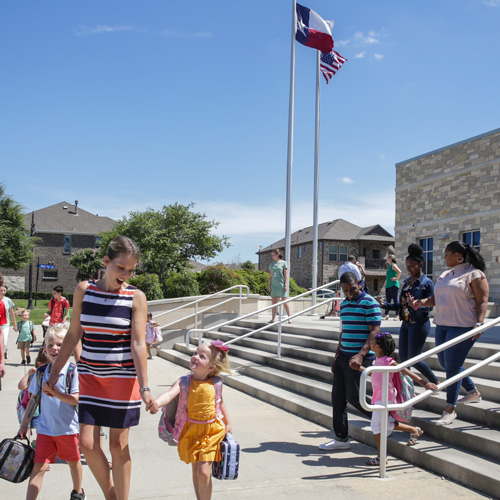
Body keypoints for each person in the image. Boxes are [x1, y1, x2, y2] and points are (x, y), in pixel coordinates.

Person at [47, 235, 157, 500]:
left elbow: (139, 344)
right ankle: (112, 494)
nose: (126, 274)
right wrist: (53, 373)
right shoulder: (84, 290)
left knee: (118, 446)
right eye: (121, 268)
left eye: (131, 270)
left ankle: (121, 497)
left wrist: (144, 387)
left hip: (123, 379)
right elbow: (73, 335)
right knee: (86, 443)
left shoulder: (135, 297)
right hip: (90, 377)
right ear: (106, 261)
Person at [412, 241, 489, 425]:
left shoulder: (475, 274)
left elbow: (482, 301)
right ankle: (472, 391)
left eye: (447, 254)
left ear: (458, 256)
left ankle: (449, 409)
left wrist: (479, 323)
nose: (444, 257)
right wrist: (422, 302)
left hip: (463, 326)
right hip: (443, 325)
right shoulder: (446, 274)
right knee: (446, 363)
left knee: (453, 367)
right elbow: (437, 299)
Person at [155, 340, 232, 500]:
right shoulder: (184, 382)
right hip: (190, 430)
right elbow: (169, 395)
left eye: (202, 356)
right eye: (195, 353)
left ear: (211, 368)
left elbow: (220, 402)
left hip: (211, 432)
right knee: (196, 472)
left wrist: (228, 423)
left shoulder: (216, 383)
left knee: (203, 473)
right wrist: (156, 403)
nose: (195, 357)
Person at [18, 323, 85, 500]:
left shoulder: (72, 372)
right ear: (45, 349)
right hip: (45, 430)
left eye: (60, 344)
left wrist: (56, 394)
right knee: (38, 467)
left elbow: (75, 399)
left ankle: (77, 492)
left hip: (67, 430)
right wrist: (25, 424)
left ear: (68, 348)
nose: (55, 348)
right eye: (50, 345)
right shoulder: (41, 373)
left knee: (73, 462)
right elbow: (34, 399)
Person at [319, 272, 381, 451]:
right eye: (345, 290)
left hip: (360, 356)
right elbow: (343, 332)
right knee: (337, 398)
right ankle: (341, 438)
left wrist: (361, 355)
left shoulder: (370, 302)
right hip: (343, 356)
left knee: (354, 397)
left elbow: (375, 331)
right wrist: (336, 357)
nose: (349, 293)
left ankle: (383, 418)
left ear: (360, 283)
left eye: (352, 289)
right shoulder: (344, 304)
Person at [359, 332, 438, 465]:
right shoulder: (377, 359)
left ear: (378, 347)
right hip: (379, 396)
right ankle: (414, 430)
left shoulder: (390, 362)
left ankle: (381, 457)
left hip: (385, 397)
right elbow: (373, 372)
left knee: (375, 426)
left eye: (372, 342)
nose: (370, 343)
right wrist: (359, 368)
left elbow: (408, 372)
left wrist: (425, 383)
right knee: (387, 424)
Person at [378, 244, 439, 386]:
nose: (409, 269)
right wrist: (383, 305)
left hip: (419, 324)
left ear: (420, 265)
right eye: (407, 266)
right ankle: (407, 387)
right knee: (404, 360)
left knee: (414, 358)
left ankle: (435, 381)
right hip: (405, 324)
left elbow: (430, 307)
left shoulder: (427, 283)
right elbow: (401, 306)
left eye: (412, 266)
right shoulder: (406, 283)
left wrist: (418, 306)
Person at [17, 347, 50, 435]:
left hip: (46, 410)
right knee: (36, 429)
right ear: (40, 364)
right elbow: (21, 386)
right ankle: (36, 443)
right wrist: (28, 374)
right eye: (48, 364)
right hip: (34, 411)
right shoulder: (34, 375)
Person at [269, 248, 291, 323]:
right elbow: (271, 276)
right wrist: (269, 286)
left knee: (284, 301)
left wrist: (285, 285)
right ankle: (273, 318)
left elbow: (286, 275)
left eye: (273, 255)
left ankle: (289, 318)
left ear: (277, 255)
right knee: (274, 302)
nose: (272, 256)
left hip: (281, 285)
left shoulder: (283, 263)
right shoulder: (271, 264)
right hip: (274, 286)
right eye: (271, 255)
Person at [0, 284, 17, 359]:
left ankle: (4, 352)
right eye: (1, 290)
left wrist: (15, 324)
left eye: (4, 290)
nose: (3, 292)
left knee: (4, 341)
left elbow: (11, 313)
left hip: (5, 324)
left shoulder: (8, 300)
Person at [383, 254, 402, 320]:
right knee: (388, 300)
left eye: (388, 257)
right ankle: (386, 315)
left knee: (395, 300)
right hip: (388, 285)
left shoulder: (393, 265)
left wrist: (396, 278)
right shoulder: (390, 266)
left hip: (393, 285)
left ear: (390, 258)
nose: (386, 258)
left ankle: (397, 315)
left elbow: (399, 271)